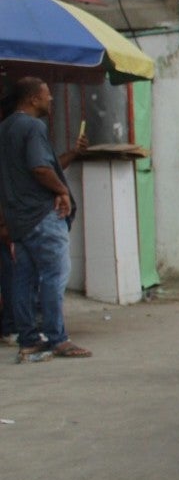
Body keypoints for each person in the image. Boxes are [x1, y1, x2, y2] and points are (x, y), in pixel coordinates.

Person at [0, 77, 91, 362]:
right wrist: (62, 190)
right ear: (32, 99)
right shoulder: (33, 127)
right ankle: (57, 339)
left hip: (18, 218)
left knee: (23, 279)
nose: (51, 99)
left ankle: (29, 341)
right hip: (41, 215)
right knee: (54, 275)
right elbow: (39, 168)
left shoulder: (4, 129)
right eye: (47, 95)